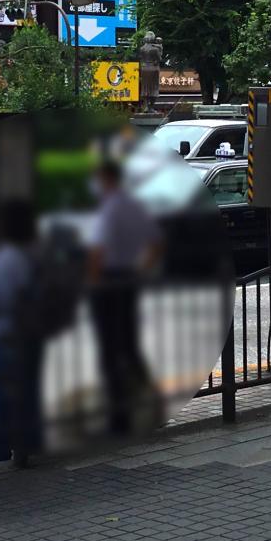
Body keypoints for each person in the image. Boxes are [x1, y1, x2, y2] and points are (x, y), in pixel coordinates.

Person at [87, 160, 162, 436]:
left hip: (108, 283)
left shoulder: (109, 209)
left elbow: (97, 251)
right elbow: (156, 242)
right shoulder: (134, 206)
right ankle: (154, 406)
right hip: (129, 279)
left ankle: (119, 417)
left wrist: (93, 283)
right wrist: (140, 270)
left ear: (106, 180)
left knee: (109, 351)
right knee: (129, 347)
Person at [0, 200, 43, 468]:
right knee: (26, 395)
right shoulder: (33, 253)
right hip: (28, 333)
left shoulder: (6, 259)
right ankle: (26, 445)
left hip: (3, 336)